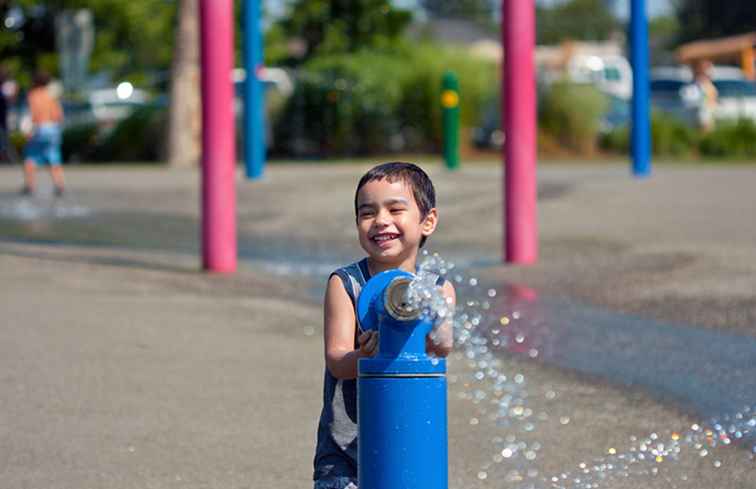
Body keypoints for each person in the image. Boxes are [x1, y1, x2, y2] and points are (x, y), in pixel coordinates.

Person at [313, 162, 456, 489]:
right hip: (346, 454)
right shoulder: (346, 284)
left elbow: (441, 347)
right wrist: (362, 355)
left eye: (395, 209)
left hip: (409, 438)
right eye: (367, 213)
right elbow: (336, 360)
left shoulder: (437, 288)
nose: (381, 221)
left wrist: (442, 335)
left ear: (428, 221)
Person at [21, 70, 65, 196]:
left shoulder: (33, 95)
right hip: (53, 129)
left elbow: (33, 115)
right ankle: (59, 184)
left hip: (40, 128)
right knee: (54, 157)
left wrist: (29, 130)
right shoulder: (51, 96)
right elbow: (59, 115)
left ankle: (29, 185)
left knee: (31, 157)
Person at [693, 60, 718, 132]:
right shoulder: (701, 82)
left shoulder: (706, 82)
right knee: (704, 130)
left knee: (707, 129)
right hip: (704, 109)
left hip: (709, 108)